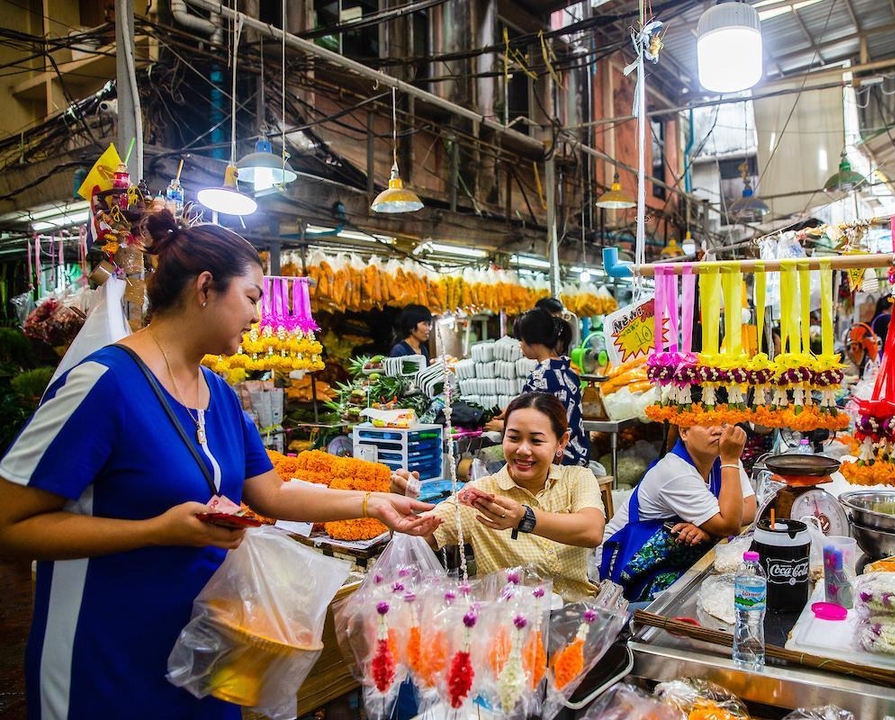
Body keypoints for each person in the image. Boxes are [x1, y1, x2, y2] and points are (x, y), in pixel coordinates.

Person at [0, 209, 440, 720]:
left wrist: (374, 501)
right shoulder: (102, 385)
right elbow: (8, 525)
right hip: (105, 657)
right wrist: (154, 531)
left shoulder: (221, 397)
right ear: (206, 288)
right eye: (252, 298)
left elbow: (273, 494)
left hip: (203, 653)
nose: (257, 316)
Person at [425, 392, 605, 600]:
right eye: (514, 438)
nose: (523, 450)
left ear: (561, 442)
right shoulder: (481, 496)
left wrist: (524, 519)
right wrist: (398, 499)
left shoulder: (576, 479)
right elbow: (423, 532)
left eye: (536, 441)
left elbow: (592, 531)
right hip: (513, 624)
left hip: (580, 618)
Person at [601, 424, 757, 602]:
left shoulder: (725, 456)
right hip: (625, 566)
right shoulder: (674, 471)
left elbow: (749, 509)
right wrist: (730, 461)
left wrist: (708, 527)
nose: (717, 430)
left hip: (669, 561)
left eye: (722, 423)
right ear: (684, 432)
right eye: (707, 422)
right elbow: (730, 525)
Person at [485, 309, 589, 465]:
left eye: (521, 340)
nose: (520, 345)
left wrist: (501, 426)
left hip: (559, 461)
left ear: (532, 341)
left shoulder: (540, 377)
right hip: (579, 456)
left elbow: (530, 424)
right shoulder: (569, 371)